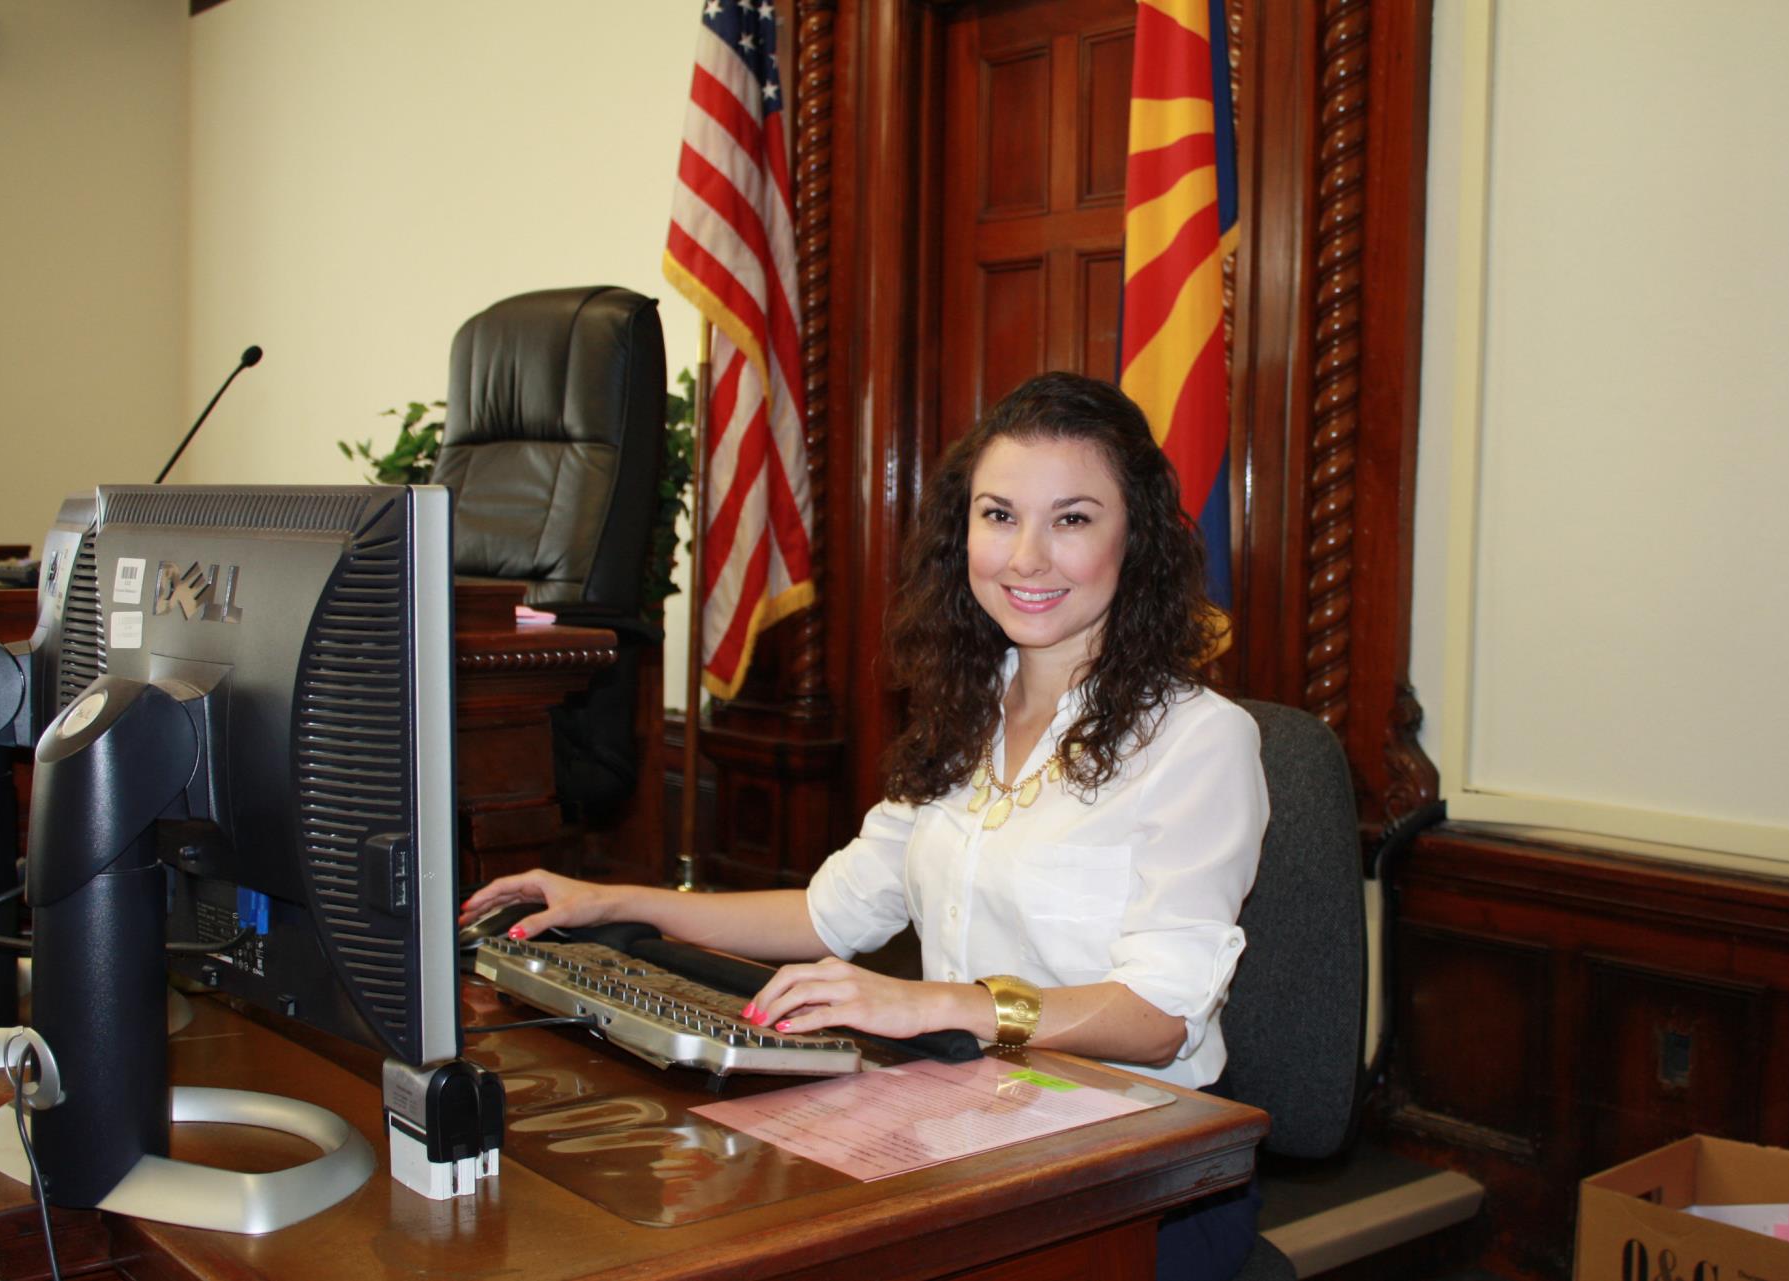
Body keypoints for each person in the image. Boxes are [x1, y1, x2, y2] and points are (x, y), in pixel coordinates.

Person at [461, 371, 1270, 1277]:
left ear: (1137, 540)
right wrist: (615, 900)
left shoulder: (1202, 742)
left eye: (1072, 519)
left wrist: (927, 1003)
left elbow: (1159, 1018)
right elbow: (828, 914)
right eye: (999, 515)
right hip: (970, 1130)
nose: (1026, 556)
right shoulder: (965, 713)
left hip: (1136, 1180)